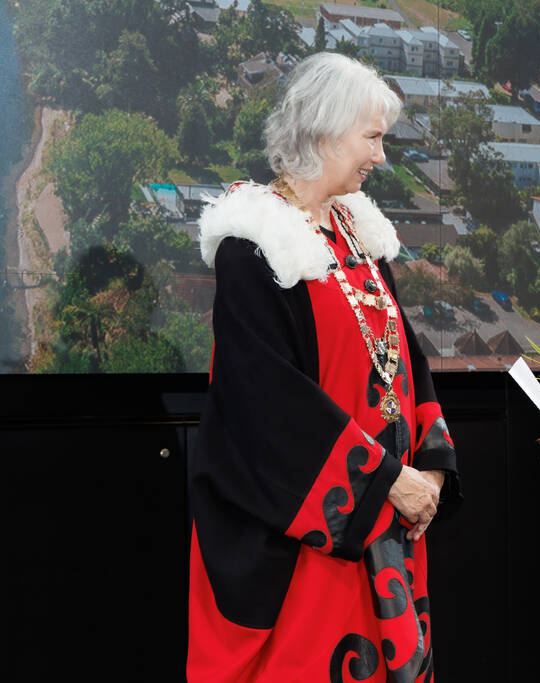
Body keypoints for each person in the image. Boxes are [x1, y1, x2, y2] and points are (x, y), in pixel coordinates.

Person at [187, 53, 458, 682]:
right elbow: (264, 405)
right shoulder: (254, 247)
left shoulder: (356, 233)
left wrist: (431, 472)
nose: (381, 158)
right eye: (372, 138)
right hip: (304, 544)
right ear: (326, 130)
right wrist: (386, 480)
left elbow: (406, 358)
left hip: (382, 530)